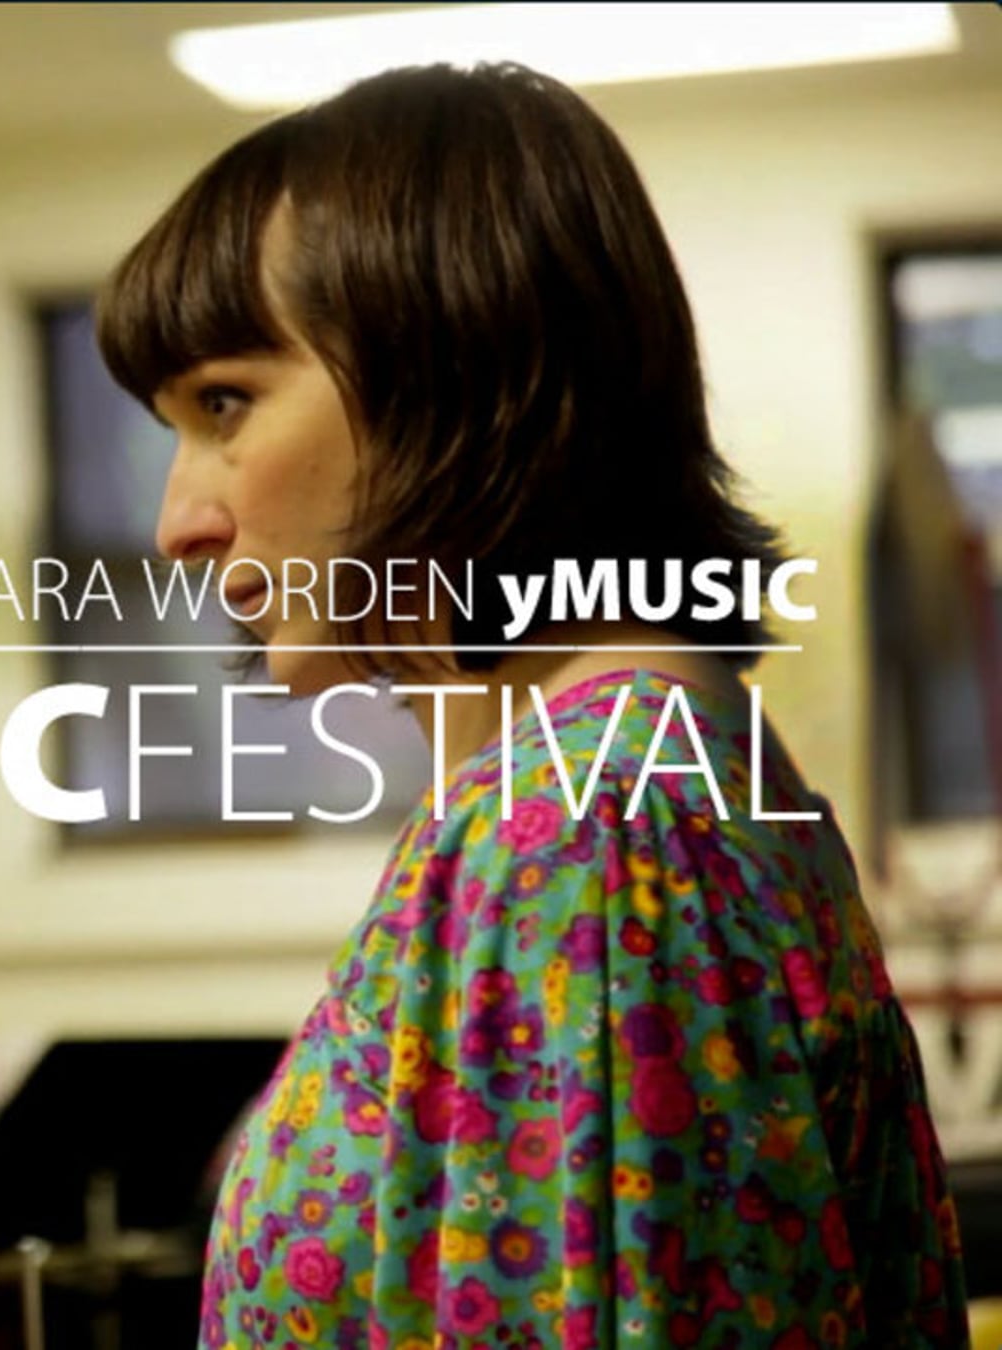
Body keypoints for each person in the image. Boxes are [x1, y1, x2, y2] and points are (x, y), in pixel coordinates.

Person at [95, 63, 968, 1347]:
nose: (179, 522)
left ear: (454, 369)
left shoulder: (590, 832)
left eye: (226, 403)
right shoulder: (604, 790)